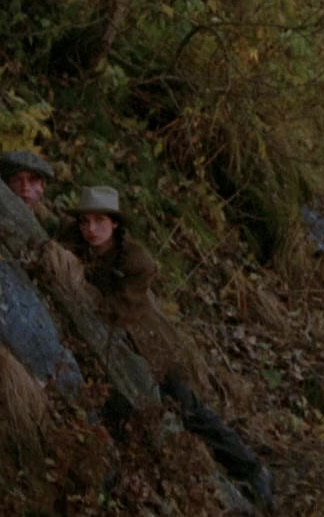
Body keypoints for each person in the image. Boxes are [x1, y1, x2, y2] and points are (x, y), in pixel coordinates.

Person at [58, 186, 274, 510]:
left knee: (190, 411)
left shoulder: (136, 261)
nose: (91, 229)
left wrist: (78, 279)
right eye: (85, 221)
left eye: (99, 221)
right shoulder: (79, 242)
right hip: (117, 349)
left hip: (151, 346)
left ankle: (252, 469)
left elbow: (115, 309)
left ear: (114, 223)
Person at [0, 150, 60, 235]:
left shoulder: (49, 224)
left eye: (32, 181)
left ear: (42, 186)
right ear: (6, 185)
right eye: (17, 180)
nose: (25, 188)